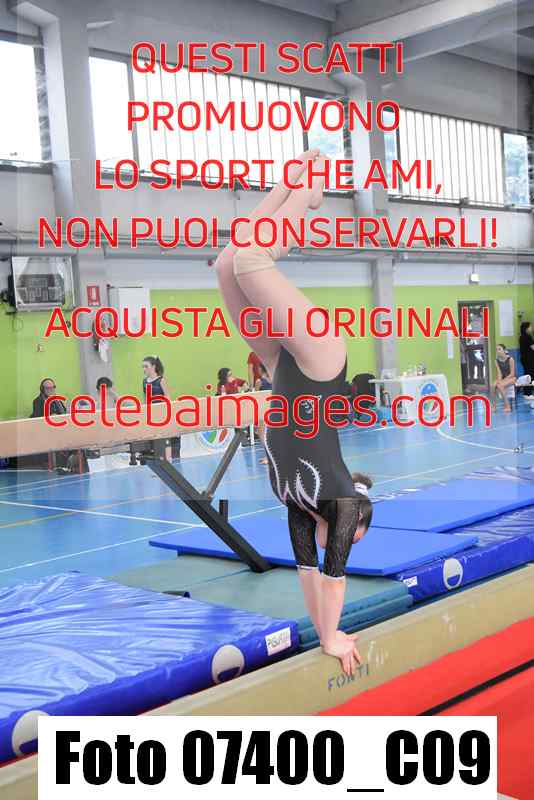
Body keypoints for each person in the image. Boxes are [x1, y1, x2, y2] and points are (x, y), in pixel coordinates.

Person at [214, 149, 373, 677]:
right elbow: (334, 578)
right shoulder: (341, 503)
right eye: (354, 540)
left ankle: (288, 186)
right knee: (254, 263)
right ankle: (309, 192)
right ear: (355, 526)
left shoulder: (298, 504)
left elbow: (308, 573)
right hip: (322, 364)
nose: (347, 544)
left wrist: (322, 633)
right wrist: (332, 636)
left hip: (283, 367)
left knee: (229, 265)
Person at [142, 356, 174, 460]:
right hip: (151, 414)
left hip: (162, 413)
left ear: (153, 366)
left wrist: (168, 413)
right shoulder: (144, 381)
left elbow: (168, 397)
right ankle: (159, 460)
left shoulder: (161, 380)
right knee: (155, 437)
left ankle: (168, 460)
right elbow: (145, 398)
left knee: (165, 437)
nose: (144, 369)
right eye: (143, 367)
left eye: (146, 366)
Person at [492, 345, 516, 413]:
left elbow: (512, 373)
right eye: (497, 349)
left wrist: (502, 381)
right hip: (503, 378)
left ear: (504, 350)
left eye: (499, 349)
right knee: (493, 385)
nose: (498, 351)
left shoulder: (510, 359)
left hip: (511, 378)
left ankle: (507, 406)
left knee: (500, 386)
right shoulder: (496, 361)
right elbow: (499, 373)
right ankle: (494, 406)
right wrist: (499, 380)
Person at [519, 322, 534, 396]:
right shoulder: (528, 336)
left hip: (524, 359)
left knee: (527, 374)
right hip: (529, 359)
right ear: (526, 328)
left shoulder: (521, 336)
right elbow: (533, 347)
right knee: (530, 375)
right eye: (530, 327)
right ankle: (527, 393)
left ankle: (527, 391)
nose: (532, 328)